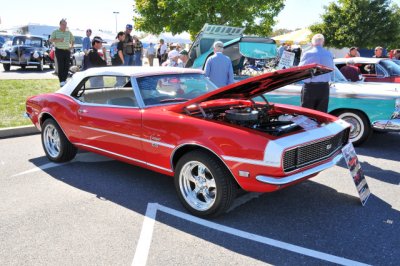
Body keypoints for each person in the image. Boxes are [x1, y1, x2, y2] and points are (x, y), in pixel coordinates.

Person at [298, 34, 334, 113]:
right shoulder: (329, 54)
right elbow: (331, 69)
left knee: (306, 114)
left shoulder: (307, 54)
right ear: (323, 42)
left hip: (310, 87)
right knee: (321, 114)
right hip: (324, 87)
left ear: (312, 42)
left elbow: (300, 69)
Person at [49, 18, 75, 86]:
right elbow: (51, 40)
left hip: (67, 50)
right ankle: (61, 81)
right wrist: (59, 40)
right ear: (60, 25)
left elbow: (73, 39)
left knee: (66, 66)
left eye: (65, 24)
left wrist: (71, 46)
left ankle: (64, 79)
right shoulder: (55, 31)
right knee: (61, 65)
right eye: (63, 24)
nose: (64, 26)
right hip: (59, 50)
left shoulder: (68, 32)